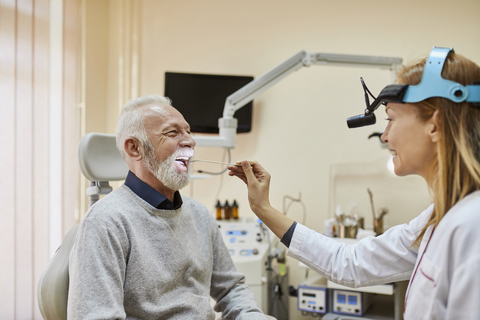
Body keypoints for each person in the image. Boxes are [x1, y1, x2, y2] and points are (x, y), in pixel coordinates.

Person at [228, 48, 480, 319]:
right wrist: (263, 208)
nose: (384, 136)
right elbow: (349, 263)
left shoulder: (471, 225)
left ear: (435, 124)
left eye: (391, 119)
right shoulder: (438, 217)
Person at [68, 95, 266, 319]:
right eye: (172, 133)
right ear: (135, 148)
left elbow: (231, 289)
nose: (190, 141)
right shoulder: (106, 222)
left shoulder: (199, 215)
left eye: (188, 132)